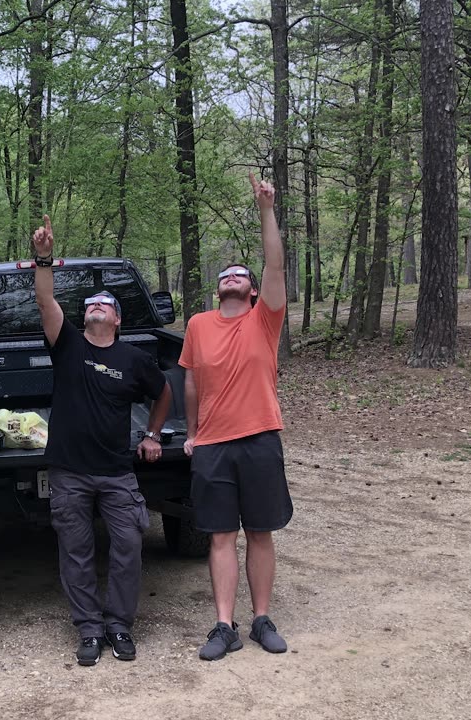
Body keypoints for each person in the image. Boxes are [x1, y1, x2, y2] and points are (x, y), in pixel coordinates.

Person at [28, 216, 173, 667]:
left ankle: (119, 626)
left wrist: (151, 434)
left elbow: (164, 392)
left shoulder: (134, 358)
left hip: (117, 472)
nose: (96, 305)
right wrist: (44, 258)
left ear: (118, 318)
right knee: (76, 551)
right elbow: (45, 297)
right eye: (90, 302)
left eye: (105, 303)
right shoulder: (67, 343)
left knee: (129, 544)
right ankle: (89, 629)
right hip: (69, 472)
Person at [181, 173, 292, 661]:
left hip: (260, 436)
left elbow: (274, 262)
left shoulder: (264, 319)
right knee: (220, 535)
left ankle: (262, 618)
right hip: (213, 445)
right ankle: (223, 625)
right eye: (225, 274)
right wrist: (191, 434)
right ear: (217, 288)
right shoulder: (198, 324)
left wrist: (266, 208)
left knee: (260, 531)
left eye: (240, 274)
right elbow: (189, 381)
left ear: (251, 290)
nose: (231, 276)